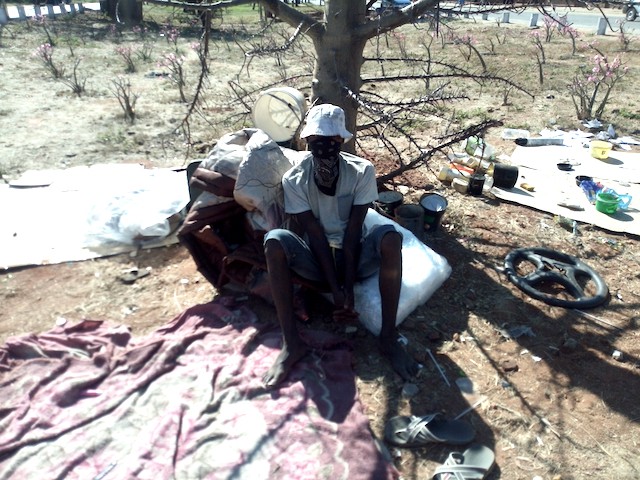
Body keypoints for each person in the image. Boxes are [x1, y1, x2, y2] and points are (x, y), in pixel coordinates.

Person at [262, 103, 420, 387]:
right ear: (308, 141)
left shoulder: (361, 171)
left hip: (355, 256)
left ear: (342, 141)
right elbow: (315, 234)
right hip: (315, 260)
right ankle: (291, 344)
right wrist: (335, 290)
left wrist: (348, 289)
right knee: (274, 241)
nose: (324, 148)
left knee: (390, 237)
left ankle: (387, 337)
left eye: (331, 141)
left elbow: (353, 234)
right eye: (317, 142)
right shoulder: (295, 179)